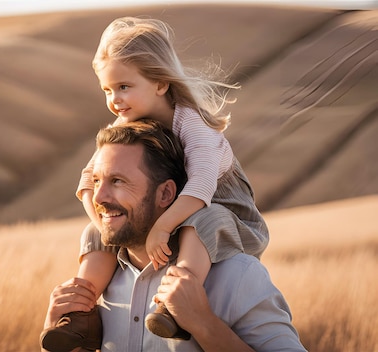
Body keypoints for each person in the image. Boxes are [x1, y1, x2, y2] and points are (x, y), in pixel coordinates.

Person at [40, 16, 269, 350]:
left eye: (124, 86)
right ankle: (80, 317)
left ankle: (174, 305)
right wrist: (106, 225)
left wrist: (162, 227)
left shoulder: (194, 124)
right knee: (95, 232)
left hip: (223, 213)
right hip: (172, 211)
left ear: (161, 83)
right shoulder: (125, 125)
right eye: (107, 89)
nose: (115, 99)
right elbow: (87, 185)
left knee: (201, 220)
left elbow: (203, 186)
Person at [42, 119, 306, 351]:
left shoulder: (237, 276)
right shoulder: (98, 282)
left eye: (118, 181)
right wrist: (56, 329)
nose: (99, 197)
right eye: (97, 181)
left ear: (166, 194)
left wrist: (203, 323)